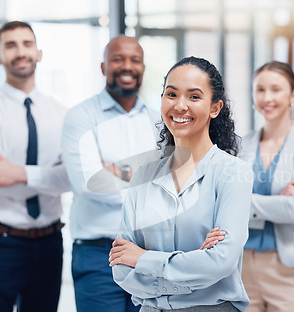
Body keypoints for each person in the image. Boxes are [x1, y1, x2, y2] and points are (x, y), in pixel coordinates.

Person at [108, 56, 253, 312]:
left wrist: (143, 258)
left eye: (194, 97)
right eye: (171, 94)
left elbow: (221, 262)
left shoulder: (233, 173)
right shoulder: (144, 176)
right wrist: (194, 264)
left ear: (215, 108)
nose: (180, 106)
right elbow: (121, 267)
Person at [0, 21, 70, 312]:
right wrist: (51, 176)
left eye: (26, 44)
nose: (20, 52)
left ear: (39, 53)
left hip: (50, 243)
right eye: (10, 45)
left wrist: (19, 173)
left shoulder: (62, 114)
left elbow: (73, 177)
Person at [62, 35, 160, 312]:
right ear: (103, 67)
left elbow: (175, 184)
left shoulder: (158, 122)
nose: (127, 66)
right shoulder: (81, 117)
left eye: (135, 60)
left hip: (150, 253)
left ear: (142, 68)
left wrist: (119, 172)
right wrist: (146, 179)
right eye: (118, 59)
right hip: (98, 256)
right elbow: (90, 185)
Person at [236, 61, 294, 312]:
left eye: (276, 89)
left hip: (290, 271)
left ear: (293, 95)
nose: (267, 97)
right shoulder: (239, 145)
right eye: (260, 90)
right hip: (240, 268)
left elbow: (293, 209)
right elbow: (219, 200)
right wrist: (276, 202)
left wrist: (243, 200)